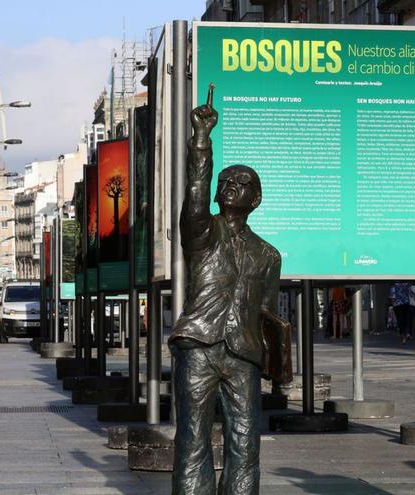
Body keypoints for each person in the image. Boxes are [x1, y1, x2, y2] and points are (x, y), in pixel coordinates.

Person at [168, 85, 282, 495]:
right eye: (226, 180)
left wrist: (278, 361)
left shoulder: (269, 255)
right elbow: (195, 196)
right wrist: (202, 139)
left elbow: (267, 313)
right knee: (193, 439)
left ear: (256, 197)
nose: (232, 184)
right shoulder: (203, 233)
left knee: (245, 441)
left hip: (244, 354)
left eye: (242, 181)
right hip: (198, 344)